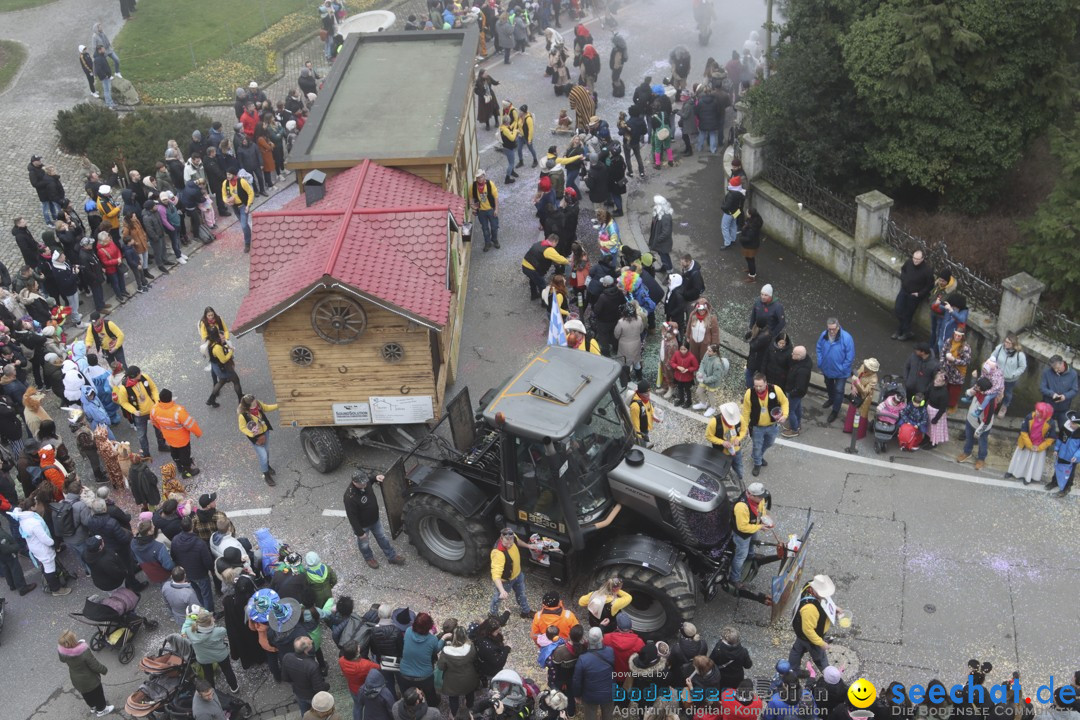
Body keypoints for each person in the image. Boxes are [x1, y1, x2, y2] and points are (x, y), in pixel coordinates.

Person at [343, 470, 404, 569]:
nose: (365, 484)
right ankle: (368, 558)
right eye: (362, 483)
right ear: (354, 482)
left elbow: (370, 479)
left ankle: (391, 556)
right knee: (364, 544)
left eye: (365, 482)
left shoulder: (365, 483)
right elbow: (352, 517)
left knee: (382, 538)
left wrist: (376, 478)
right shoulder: (350, 497)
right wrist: (360, 532)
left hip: (375, 520)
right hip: (363, 525)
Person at [788, 574, 840, 671]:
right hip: (811, 637)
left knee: (797, 649)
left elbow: (826, 601)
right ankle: (828, 675)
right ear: (817, 592)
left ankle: (793, 670)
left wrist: (834, 608)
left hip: (800, 633)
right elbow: (808, 631)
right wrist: (821, 643)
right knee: (820, 657)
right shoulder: (810, 609)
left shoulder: (810, 585)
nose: (827, 595)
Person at [58, 629, 114, 717]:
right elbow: (94, 665)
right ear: (73, 641)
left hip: (76, 680)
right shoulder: (84, 652)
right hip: (90, 680)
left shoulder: (62, 652)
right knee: (98, 694)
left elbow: (62, 660)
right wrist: (104, 670)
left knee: (86, 694)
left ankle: (93, 707)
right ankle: (101, 710)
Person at [742, 372, 788, 477]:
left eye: (760, 386)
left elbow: (785, 402)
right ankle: (757, 463)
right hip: (757, 427)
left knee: (769, 443)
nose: (758, 388)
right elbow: (746, 411)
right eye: (756, 386)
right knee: (757, 446)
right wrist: (744, 427)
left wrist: (785, 415)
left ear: (766, 383)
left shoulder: (776, 389)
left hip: (772, 425)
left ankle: (756, 456)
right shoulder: (749, 393)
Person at [184, 608, 241, 693]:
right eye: (212, 619)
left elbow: (188, 627)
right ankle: (234, 688)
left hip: (203, 658)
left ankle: (212, 691)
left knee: (208, 674)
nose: (214, 619)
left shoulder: (189, 631)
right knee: (227, 670)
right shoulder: (219, 631)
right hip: (220, 655)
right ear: (209, 623)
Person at [151, 389, 202, 478]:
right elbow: (190, 424)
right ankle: (187, 472)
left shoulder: (154, 409)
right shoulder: (178, 411)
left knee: (174, 452)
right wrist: (198, 433)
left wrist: (163, 429)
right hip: (182, 439)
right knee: (185, 455)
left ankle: (179, 467)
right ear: (171, 399)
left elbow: (154, 423)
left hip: (168, 437)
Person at [729, 482, 772, 585]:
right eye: (760, 497)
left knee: (752, 542)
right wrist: (760, 526)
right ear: (751, 495)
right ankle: (734, 578)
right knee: (740, 557)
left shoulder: (758, 499)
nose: (762, 499)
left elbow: (761, 509)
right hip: (741, 535)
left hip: (753, 526)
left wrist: (764, 519)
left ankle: (751, 555)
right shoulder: (741, 507)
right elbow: (742, 527)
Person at [490, 526, 535, 623]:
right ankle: (493, 615)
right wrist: (502, 590)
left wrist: (528, 546)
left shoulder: (512, 536)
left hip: (518, 575)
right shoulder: (498, 553)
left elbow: (518, 542)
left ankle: (526, 611)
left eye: (511, 543)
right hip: (506, 581)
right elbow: (495, 574)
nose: (509, 545)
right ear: (501, 538)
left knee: (521, 594)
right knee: (498, 599)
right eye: (506, 543)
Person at [400, 612, 446, 705]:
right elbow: (436, 650)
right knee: (430, 695)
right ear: (429, 626)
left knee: (408, 698)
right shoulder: (432, 639)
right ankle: (433, 705)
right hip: (424, 676)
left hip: (405, 673)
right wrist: (443, 638)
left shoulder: (408, 631)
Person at [1005, 402, 1056, 485]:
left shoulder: (1051, 423)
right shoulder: (1029, 416)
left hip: (1038, 446)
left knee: (1033, 463)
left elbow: (1051, 438)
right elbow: (1023, 432)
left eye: (1039, 411)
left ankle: (1028, 477)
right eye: (1037, 410)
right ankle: (1012, 472)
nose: (1036, 412)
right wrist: (1029, 445)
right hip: (1026, 444)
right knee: (1019, 460)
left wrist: (1039, 448)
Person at [171, 516, 216, 611]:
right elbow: (207, 561)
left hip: (186, 572)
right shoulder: (200, 543)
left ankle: (202, 606)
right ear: (192, 527)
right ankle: (209, 613)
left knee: (197, 591)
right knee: (206, 594)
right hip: (200, 573)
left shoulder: (175, 540)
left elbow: (173, 556)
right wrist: (212, 570)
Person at [816, 318, 855, 424]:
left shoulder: (846, 338)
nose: (832, 331)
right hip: (827, 368)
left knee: (839, 390)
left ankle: (835, 410)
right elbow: (819, 347)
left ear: (838, 326)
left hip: (841, 372)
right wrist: (820, 361)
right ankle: (831, 399)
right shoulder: (824, 335)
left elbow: (850, 356)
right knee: (828, 385)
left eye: (834, 329)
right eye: (830, 329)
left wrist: (842, 368)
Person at [573, 627, 615, 720]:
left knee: (590, 716)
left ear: (588, 640)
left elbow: (577, 680)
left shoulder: (583, 659)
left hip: (590, 695)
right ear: (602, 638)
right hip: (608, 693)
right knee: (608, 715)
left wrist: (577, 695)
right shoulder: (610, 651)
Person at [957, 377, 997, 471]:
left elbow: (987, 419)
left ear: (983, 390)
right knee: (968, 437)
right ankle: (967, 452)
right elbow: (968, 394)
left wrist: (980, 430)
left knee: (982, 442)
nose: (976, 387)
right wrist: (970, 392)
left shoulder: (990, 401)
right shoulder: (978, 391)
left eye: (978, 386)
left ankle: (981, 458)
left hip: (981, 426)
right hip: (970, 420)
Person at [283, 636, 331, 715]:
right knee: (319, 714)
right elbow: (319, 688)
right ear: (307, 649)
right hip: (311, 696)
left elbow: (285, 678)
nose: (312, 642)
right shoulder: (312, 666)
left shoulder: (287, 657)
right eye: (310, 643)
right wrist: (327, 686)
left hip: (298, 693)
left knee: (305, 713)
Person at [893, 250, 934, 341]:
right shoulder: (909, 262)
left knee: (908, 314)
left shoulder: (927, 270)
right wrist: (903, 280)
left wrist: (919, 294)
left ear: (922, 259)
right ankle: (907, 331)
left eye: (918, 259)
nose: (915, 261)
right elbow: (903, 270)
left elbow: (930, 285)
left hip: (914, 296)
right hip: (904, 290)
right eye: (914, 258)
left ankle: (901, 331)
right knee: (898, 309)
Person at [237, 394, 278, 486]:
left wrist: (278, 405)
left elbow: (266, 407)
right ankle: (266, 475)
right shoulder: (242, 415)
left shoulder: (258, 404)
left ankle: (267, 466)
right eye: (253, 404)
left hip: (265, 433)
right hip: (256, 438)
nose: (255, 404)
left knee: (266, 452)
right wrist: (252, 433)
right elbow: (242, 428)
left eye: (255, 402)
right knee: (263, 455)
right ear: (247, 406)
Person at [706, 402, 746, 481]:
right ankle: (723, 477)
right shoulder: (714, 422)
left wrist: (738, 438)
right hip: (721, 452)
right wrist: (722, 442)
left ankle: (740, 476)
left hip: (736, 449)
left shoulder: (740, 418)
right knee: (721, 467)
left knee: (738, 464)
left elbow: (743, 430)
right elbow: (709, 436)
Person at [990, 333, 1027, 418]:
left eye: (1008, 343)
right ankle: (993, 404)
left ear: (1013, 344)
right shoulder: (1000, 348)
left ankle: (1004, 406)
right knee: (994, 390)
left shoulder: (1019, 355)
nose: (1006, 344)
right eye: (1005, 341)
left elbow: (1022, 367)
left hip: (1010, 379)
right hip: (997, 376)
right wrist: (993, 367)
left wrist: (1013, 374)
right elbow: (992, 357)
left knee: (1007, 393)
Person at [842, 358, 879, 440]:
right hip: (856, 393)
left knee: (862, 414)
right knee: (852, 409)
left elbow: (865, 392)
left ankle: (858, 433)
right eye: (865, 366)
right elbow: (855, 376)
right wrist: (853, 387)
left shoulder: (874, 379)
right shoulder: (863, 367)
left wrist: (857, 382)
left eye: (867, 367)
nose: (865, 368)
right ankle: (848, 428)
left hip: (864, 399)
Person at [522, 236, 568, 300]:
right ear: (554, 241)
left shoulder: (540, 243)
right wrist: (569, 261)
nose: (556, 245)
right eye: (556, 244)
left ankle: (534, 295)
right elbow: (560, 259)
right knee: (542, 285)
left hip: (525, 265)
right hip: (532, 269)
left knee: (532, 280)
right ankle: (544, 302)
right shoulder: (549, 250)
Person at [1040, 355, 1078, 431]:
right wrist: (1052, 394)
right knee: (1043, 428)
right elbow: (1042, 388)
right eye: (1053, 369)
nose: (1056, 370)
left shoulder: (1073, 374)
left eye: (1058, 368)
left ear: (1062, 363)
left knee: (1064, 429)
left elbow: (1074, 390)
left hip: (1063, 408)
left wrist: (1065, 396)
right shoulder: (1046, 372)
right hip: (1048, 406)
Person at [709, 626, 752, 691]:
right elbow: (748, 665)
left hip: (722, 676)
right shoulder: (743, 651)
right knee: (734, 691)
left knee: (721, 691)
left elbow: (711, 661)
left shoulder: (718, 649)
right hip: (737, 677)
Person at [222, 169, 254, 253]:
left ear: (233, 174)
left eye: (229, 174)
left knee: (243, 225)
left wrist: (248, 205)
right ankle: (249, 235)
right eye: (227, 174)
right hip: (234, 207)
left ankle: (247, 243)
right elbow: (224, 195)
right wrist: (227, 201)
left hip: (243, 206)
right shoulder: (225, 183)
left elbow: (251, 193)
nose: (227, 176)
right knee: (244, 224)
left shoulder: (242, 182)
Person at [941, 327, 972, 412]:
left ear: (963, 337)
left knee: (954, 391)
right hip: (947, 370)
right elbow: (943, 353)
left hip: (958, 373)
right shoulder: (949, 341)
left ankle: (952, 406)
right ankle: (944, 403)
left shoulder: (965, 347)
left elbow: (966, 361)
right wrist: (942, 365)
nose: (957, 337)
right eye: (956, 335)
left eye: (959, 336)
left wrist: (954, 360)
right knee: (946, 388)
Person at [1050, 411, 1080, 498]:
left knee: (1069, 473)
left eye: (1073, 423)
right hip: (1061, 454)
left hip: (1072, 458)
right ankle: (1054, 482)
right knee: (1058, 468)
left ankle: (1067, 487)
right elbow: (1060, 439)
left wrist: (1076, 456)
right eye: (1070, 422)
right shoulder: (1066, 428)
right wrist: (1056, 449)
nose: (1071, 424)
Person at [694, 344, 728, 417]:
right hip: (704, 378)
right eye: (707, 350)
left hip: (713, 383)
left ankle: (712, 408)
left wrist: (704, 380)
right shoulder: (707, 354)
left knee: (710, 395)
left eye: (709, 351)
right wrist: (701, 373)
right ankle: (703, 404)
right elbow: (702, 363)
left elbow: (716, 377)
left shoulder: (717, 363)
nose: (707, 352)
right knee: (699, 391)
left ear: (714, 352)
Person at [471, 170, 500, 252]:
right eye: (478, 178)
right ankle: (487, 243)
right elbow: (471, 197)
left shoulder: (490, 184)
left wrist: (496, 209)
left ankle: (494, 239)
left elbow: (496, 197)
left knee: (494, 227)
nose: (480, 179)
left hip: (491, 209)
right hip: (481, 212)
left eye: (481, 177)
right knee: (485, 228)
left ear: (484, 176)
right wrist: (473, 206)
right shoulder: (473, 186)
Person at [669, 341, 699, 409]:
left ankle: (689, 401)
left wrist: (688, 369)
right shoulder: (676, 354)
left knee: (687, 390)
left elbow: (696, 366)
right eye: (681, 349)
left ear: (688, 349)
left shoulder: (691, 357)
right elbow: (672, 362)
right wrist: (677, 366)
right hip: (678, 376)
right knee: (680, 389)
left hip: (687, 378)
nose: (682, 351)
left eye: (684, 349)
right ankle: (681, 400)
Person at [627, 381, 656, 448]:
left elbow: (649, 407)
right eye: (646, 392)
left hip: (645, 428)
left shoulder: (645, 398)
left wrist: (654, 415)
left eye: (649, 391)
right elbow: (635, 424)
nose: (648, 394)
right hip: (641, 432)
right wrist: (639, 438)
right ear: (640, 393)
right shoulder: (635, 406)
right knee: (643, 447)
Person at [720, 176, 746, 249]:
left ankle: (727, 243)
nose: (729, 183)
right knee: (733, 225)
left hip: (729, 213)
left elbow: (727, 206)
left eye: (730, 183)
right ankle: (733, 239)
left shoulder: (731, 195)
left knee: (724, 227)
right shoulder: (741, 192)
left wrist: (722, 207)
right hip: (737, 211)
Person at [739, 206, 764, 281]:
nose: (746, 213)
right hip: (753, 244)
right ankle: (751, 269)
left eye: (747, 212)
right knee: (750, 259)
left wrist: (741, 239)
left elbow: (749, 238)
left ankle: (752, 275)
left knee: (750, 259)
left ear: (750, 214)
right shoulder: (755, 221)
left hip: (750, 246)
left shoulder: (752, 226)